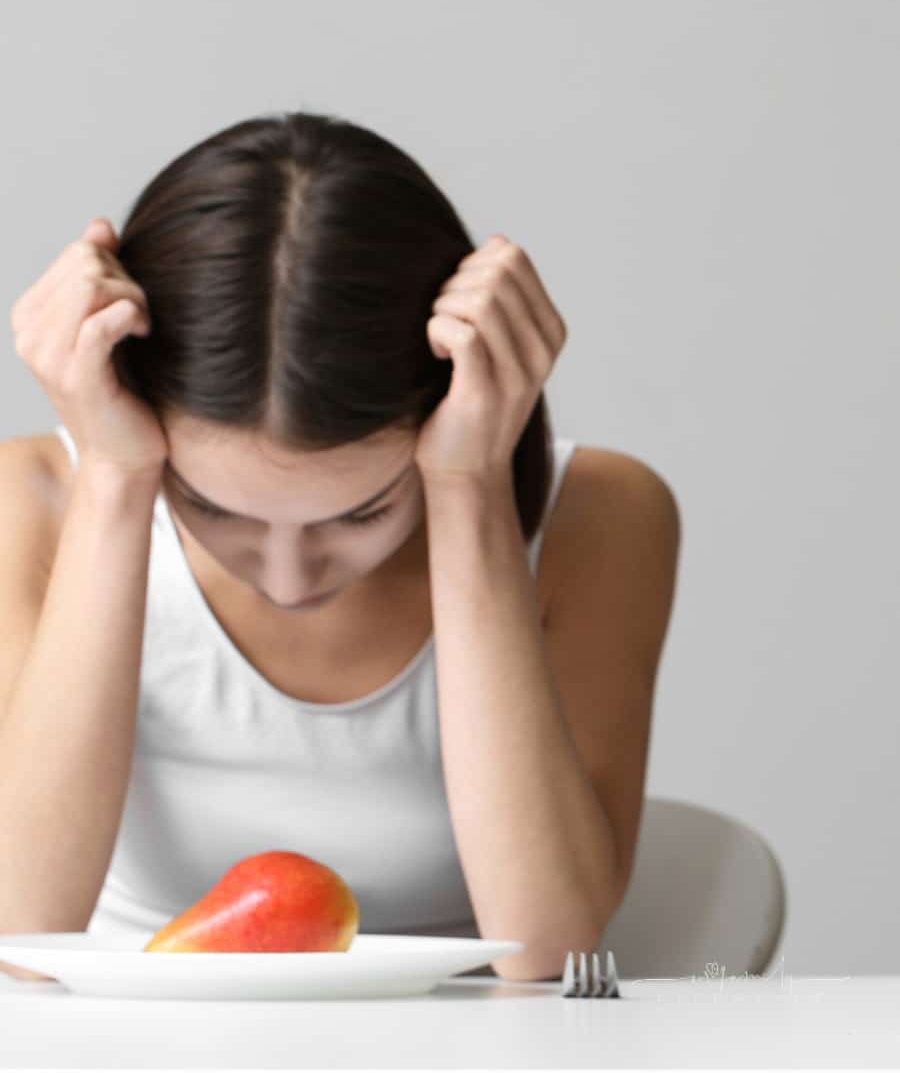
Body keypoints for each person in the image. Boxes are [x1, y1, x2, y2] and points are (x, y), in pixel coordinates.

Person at [0, 110, 679, 985]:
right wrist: (117, 480)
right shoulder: (35, 500)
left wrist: (469, 488)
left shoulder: (603, 514)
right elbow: (19, 934)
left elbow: (552, 951)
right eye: (209, 505)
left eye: (359, 513)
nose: (287, 576)